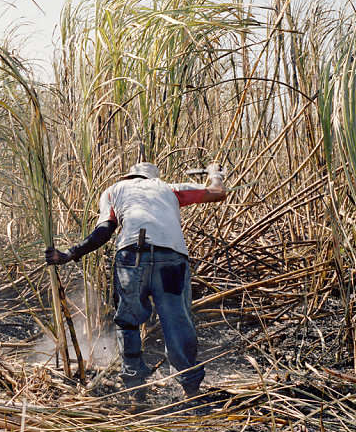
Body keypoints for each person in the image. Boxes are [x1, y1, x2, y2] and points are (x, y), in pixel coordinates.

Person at [46, 161, 227, 403]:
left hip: (133, 257)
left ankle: (135, 391)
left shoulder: (114, 190)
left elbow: (105, 230)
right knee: (177, 323)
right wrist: (215, 173)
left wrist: (71, 253)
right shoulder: (169, 188)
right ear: (154, 177)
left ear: (129, 175)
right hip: (171, 258)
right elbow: (218, 193)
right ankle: (191, 391)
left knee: (128, 323)